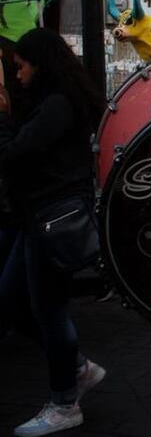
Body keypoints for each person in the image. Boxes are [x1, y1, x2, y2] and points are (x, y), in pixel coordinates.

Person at [0, 28, 107, 436]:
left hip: (51, 218)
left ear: (39, 64)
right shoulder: (52, 102)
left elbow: (16, 154)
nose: (19, 75)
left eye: (22, 66)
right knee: (11, 301)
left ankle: (65, 401)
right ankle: (77, 368)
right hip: (36, 218)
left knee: (48, 310)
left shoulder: (58, 106)